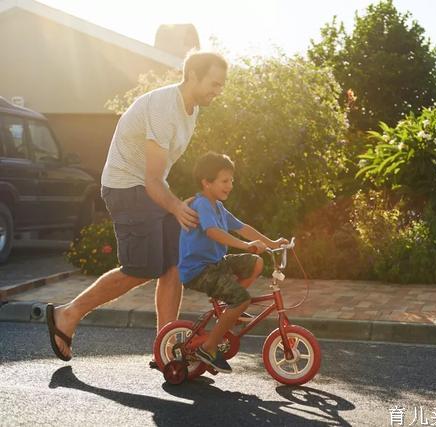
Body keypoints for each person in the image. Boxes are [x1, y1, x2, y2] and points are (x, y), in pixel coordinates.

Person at [46, 52, 228, 362]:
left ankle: (165, 349)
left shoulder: (191, 109)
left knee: (173, 265)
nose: (218, 90)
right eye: (214, 83)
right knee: (142, 268)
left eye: (221, 85)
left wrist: (176, 203)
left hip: (150, 189)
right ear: (192, 76)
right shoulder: (163, 108)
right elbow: (151, 179)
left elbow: (159, 176)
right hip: (127, 188)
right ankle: (68, 314)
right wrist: (174, 206)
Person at [179, 152, 287, 373]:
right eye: (224, 181)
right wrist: (246, 246)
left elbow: (242, 227)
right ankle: (208, 348)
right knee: (241, 299)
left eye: (231, 181)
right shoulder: (203, 204)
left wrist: (272, 243)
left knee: (255, 263)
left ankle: (231, 310)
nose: (230, 185)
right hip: (198, 270)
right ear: (206, 183)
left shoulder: (217, 206)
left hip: (216, 263)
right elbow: (213, 232)